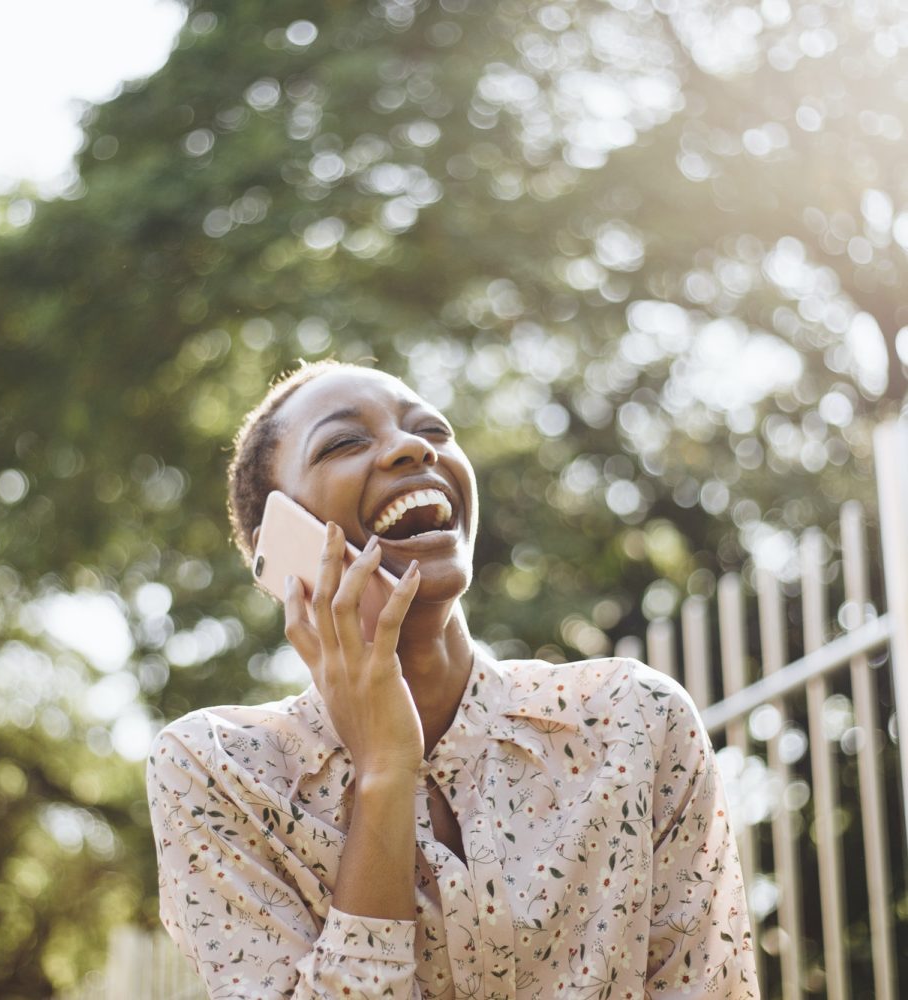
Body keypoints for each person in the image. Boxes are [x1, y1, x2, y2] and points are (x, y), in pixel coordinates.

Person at [147, 360, 760, 1000]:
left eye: (433, 430)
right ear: (284, 541)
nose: (414, 448)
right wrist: (384, 770)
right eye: (344, 442)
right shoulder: (220, 771)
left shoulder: (634, 720)